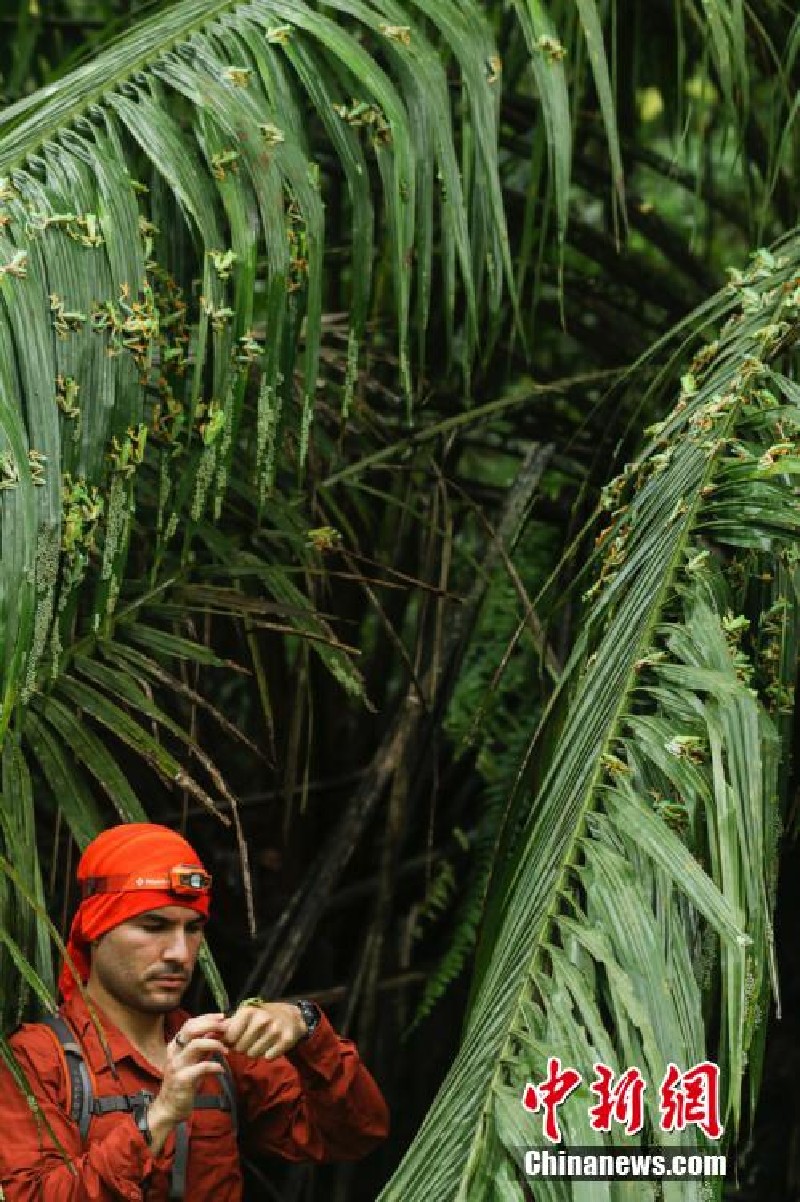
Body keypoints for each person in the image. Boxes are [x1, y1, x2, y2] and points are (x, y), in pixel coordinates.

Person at [0, 823, 389, 1201]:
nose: (180, 954)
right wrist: (159, 1118)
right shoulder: (37, 1059)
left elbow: (356, 1133)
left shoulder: (218, 1049)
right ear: (94, 929)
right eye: (153, 926)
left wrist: (305, 1024)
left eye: (192, 929)